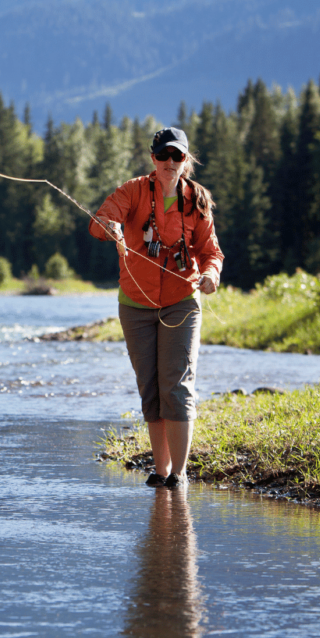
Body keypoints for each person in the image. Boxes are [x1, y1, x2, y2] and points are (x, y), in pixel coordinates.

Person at [89, 127, 223, 488]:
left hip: (181, 300)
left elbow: (211, 252)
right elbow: (101, 221)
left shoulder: (197, 200)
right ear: (153, 158)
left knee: (176, 385)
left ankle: (179, 475)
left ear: (186, 160)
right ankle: (160, 471)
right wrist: (111, 228)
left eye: (176, 156)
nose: (169, 162)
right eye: (163, 155)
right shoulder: (133, 190)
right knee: (150, 387)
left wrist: (211, 275)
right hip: (135, 303)